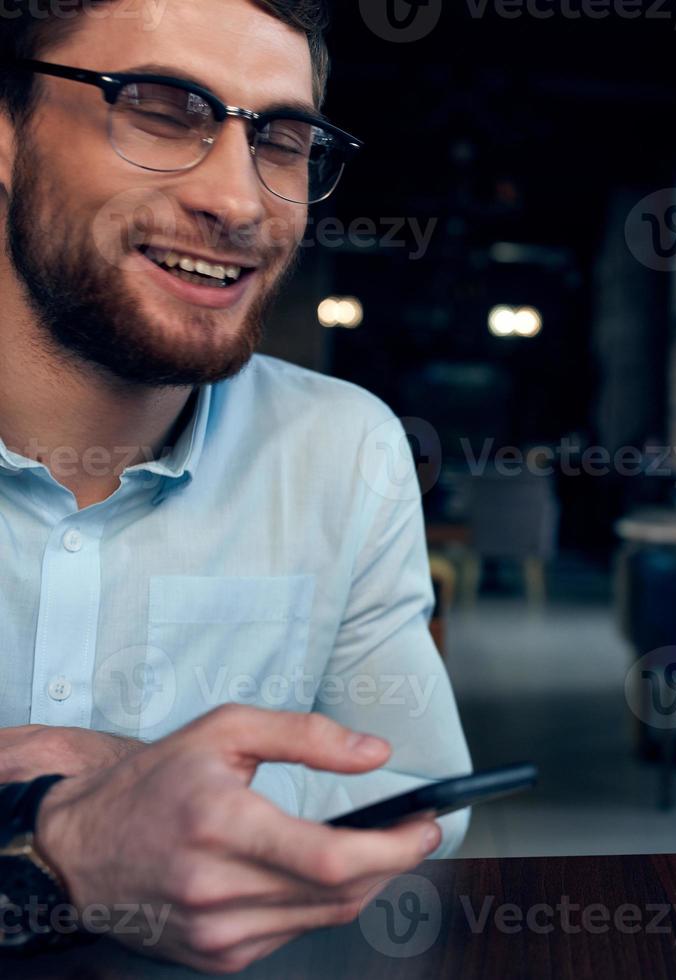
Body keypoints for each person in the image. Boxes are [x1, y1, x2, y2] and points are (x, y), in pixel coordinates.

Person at [0, 0, 471, 969]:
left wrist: (130, 785)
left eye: (285, 141)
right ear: (6, 135)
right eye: (163, 109)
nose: (242, 200)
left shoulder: (342, 450)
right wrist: (47, 828)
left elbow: (423, 792)